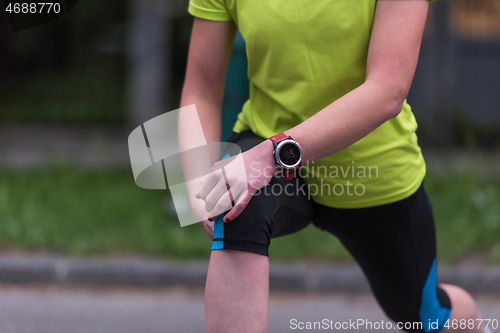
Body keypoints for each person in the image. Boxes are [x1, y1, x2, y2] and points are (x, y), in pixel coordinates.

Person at [179, 0, 490, 332]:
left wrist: (269, 156)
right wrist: (197, 181)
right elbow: (201, 90)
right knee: (237, 210)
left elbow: (388, 90)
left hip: (368, 167)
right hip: (267, 140)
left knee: (425, 315)